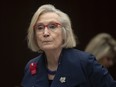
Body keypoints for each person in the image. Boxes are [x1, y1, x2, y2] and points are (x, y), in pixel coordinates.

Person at [21, 4, 116, 87]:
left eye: (52, 26)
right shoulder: (31, 66)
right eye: (40, 28)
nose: (45, 33)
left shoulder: (85, 63)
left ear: (64, 33)